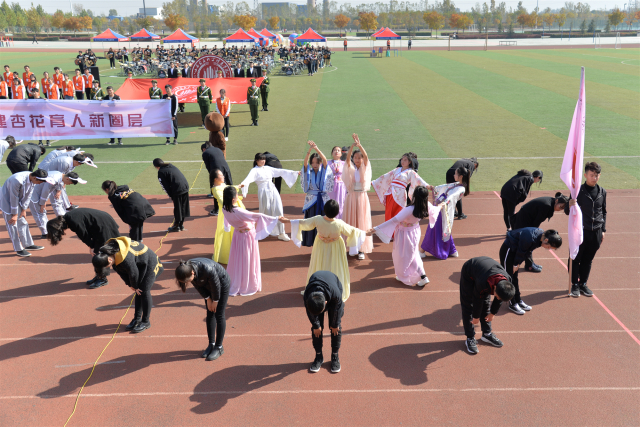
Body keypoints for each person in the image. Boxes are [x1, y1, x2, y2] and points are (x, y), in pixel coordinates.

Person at [283, 199, 365, 302]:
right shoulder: (339, 223)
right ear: (337, 212)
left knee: (319, 263)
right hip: (336, 247)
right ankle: (334, 287)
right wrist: (366, 232)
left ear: (325, 210)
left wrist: (287, 221)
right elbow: (353, 231)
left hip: (320, 246)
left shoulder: (318, 219)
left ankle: (318, 286)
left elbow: (304, 222)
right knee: (335, 265)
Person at [371, 186, 441, 287]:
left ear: (415, 196)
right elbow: (435, 210)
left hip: (404, 234)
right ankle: (418, 276)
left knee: (406, 256)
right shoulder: (426, 205)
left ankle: (423, 276)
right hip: (415, 232)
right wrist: (441, 206)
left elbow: (394, 220)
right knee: (412, 254)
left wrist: (376, 229)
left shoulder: (409, 209)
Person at [92, 237, 164, 333]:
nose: (108, 268)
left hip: (151, 263)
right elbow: (121, 272)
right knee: (138, 291)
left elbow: (133, 273)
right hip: (139, 265)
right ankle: (137, 319)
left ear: (109, 260)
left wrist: (134, 286)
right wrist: (130, 285)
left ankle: (146, 321)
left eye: (107, 267)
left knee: (143, 291)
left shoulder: (124, 258)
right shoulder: (109, 254)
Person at [222, 186, 281, 296]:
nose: (237, 196)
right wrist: (276, 218)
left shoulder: (224, 208)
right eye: (236, 195)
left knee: (238, 259)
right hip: (247, 236)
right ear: (233, 199)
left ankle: (239, 280)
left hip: (237, 235)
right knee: (247, 259)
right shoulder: (238, 211)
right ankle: (247, 284)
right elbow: (257, 216)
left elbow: (227, 222)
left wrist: (227, 227)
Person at [47, 208, 121, 288]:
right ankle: (99, 276)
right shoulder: (68, 217)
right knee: (98, 252)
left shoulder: (73, 221)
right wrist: (92, 245)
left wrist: (92, 246)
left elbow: (84, 235)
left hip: (104, 225)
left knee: (100, 254)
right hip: (101, 223)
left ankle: (102, 279)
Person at [175, 258, 230, 361]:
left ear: (192, 273)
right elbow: (197, 285)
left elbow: (216, 286)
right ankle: (211, 344)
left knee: (219, 314)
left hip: (221, 285)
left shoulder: (207, 269)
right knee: (210, 313)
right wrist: (208, 299)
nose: (187, 283)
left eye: (187, 280)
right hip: (207, 286)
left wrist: (215, 301)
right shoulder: (188, 270)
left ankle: (219, 347)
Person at [459, 257, 515, 354]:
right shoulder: (483, 283)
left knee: (486, 304)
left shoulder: (507, 282)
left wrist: (493, 313)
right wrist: (475, 317)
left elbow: (499, 298)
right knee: (468, 305)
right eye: (496, 295)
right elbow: (477, 300)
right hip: (470, 271)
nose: (497, 298)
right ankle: (470, 338)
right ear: (495, 287)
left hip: (486, 272)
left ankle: (486, 334)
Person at [499, 228, 562, 315]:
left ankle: (518, 300)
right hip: (508, 251)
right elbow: (521, 251)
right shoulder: (530, 237)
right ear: (546, 240)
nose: (548, 249)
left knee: (515, 278)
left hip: (516, 251)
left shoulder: (541, 238)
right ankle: (512, 303)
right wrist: (515, 264)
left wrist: (517, 263)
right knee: (509, 277)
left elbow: (528, 251)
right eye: (549, 247)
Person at [239, 153, 300, 241]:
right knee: (265, 211)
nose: (263, 161)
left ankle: (282, 232)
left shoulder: (267, 168)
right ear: (256, 160)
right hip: (263, 192)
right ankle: (265, 231)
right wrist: (241, 185)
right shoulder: (254, 170)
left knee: (278, 209)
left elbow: (280, 171)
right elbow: (248, 179)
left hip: (273, 190)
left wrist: (294, 172)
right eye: (261, 159)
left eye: (264, 159)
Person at [568, 162, 607, 298]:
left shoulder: (602, 192)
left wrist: (603, 230)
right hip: (580, 231)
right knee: (575, 258)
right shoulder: (577, 191)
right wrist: (570, 204)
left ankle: (583, 283)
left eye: (596, 175)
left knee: (588, 260)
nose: (594, 178)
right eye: (591, 175)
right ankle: (574, 284)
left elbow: (604, 212)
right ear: (585, 175)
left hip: (596, 232)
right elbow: (568, 211)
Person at [419, 167, 471, 260]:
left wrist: (444, 202)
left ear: (461, 176)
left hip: (444, 211)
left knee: (432, 230)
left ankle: (422, 251)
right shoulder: (456, 184)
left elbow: (452, 196)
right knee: (443, 231)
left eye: (455, 174)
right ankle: (452, 250)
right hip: (441, 209)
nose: (454, 175)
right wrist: (433, 188)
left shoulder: (461, 189)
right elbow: (444, 186)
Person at [512, 192, 569, 272]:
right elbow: (536, 223)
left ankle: (529, 263)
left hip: (526, 218)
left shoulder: (550, 203)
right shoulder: (547, 206)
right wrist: (534, 235)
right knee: (527, 243)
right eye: (560, 207)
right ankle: (526, 265)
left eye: (562, 209)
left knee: (530, 243)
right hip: (523, 220)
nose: (560, 209)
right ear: (556, 201)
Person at [1, 169, 50, 257]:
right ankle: (18, 249)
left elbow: (29, 194)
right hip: (6, 200)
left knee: (23, 222)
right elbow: (13, 197)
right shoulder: (17, 180)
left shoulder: (31, 178)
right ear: (35, 178)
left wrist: (23, 209)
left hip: (17, 201)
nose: (40, 183)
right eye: (40, 181)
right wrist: (15, 215)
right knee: (12, 224)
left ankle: (28, 244)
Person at [303, 271, 344, 373]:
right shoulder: (307, 296)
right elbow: (310, 312)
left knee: (335, 327)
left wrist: (335, 324)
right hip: (316, 293)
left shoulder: (336, 294)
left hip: (333, 287)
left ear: (326, 303)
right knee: (316, 329)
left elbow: (337, 309)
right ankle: (318, 356)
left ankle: (335, 355)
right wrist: (316, 325)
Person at [373, 153, 429, 228]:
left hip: (400, 195)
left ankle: (396, 231)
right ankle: (387, 232)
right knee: (389, 212)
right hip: (390, 192)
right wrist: (374, 182)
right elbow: (386, 176)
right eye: (402, 159)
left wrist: (428, 186)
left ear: (409, 162)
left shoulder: (411, 172)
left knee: (398, 213)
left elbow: (419, 180)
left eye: (405, 160)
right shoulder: (397, 169)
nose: (403, 161)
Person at [342, 134, 373, 260]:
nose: (357, 159)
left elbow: (366, 157)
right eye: (356, 157)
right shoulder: (351, 169)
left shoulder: (365, 168)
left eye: (359, 158)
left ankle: (361, 249)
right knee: (351, 222)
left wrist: (360, 145)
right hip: (351, 198)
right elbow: (347, 159)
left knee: (361, 223)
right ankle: (351, 246)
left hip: (361, 198)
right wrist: (352, 148)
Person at [30, 171, 86, 238]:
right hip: (34, 194)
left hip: (39, 192)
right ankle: (45, 233)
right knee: (39, 212)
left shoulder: (60, 176)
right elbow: (45, 191)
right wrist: (42, 203)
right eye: (70, 183)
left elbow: (58, 184)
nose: (69, 184)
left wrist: (58, 191)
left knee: (42, 212)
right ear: (67, 179)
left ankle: (48, 231)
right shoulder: (55, 178)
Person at [300, 141, 332, 247]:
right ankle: (312, 244)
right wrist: (309, 150)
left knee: (323, 223)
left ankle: (323, 244)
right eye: (312, 163)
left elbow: (325, 160)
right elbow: (305, 163)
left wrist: (316, 148)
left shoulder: (323, 170)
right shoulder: (308, 171)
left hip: (322, 200)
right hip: (311, 201)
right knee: (312, 223)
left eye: (317, 163)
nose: (314, 165)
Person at [211, 169, 245, 263]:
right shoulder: (216, 190)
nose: (223, 176)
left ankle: (237, 253)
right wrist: (232, 205)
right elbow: (223, 201)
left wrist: (237, 186)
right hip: (229, 213)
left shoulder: (221, 185)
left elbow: (228, 187)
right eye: (221, 175)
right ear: (215, 179)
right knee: (229, 234)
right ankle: (229, 255)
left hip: (232, 211)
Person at [154, 158, 190, 232]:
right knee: (183, 207)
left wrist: (171, 196)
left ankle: (176, 226)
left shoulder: (161, 172)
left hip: (177, 189)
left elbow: (165, 186)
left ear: (156, 166)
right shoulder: (171, 166)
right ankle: (181, 225)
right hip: (185, 187)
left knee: (178, 209)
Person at [202, 142, 231, 210]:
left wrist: (212, 175)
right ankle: (232, 205)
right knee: (229, 187)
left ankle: (216, 209)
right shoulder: (218, 149)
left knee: (216, 189)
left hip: (217, 172)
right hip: (226, 168)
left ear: (204, 149)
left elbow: (208, 166)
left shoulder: (205, 153)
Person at [326, 146, 347, 220]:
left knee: (341, 203)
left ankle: (340, 221)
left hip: (341, 186)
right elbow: (319, 170)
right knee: (331, 203)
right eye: (335, 150)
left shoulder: (344, 163)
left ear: (341, 154)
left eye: (338, 150)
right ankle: (330, 221)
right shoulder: (328, 163)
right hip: (331, 186)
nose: (336, 151)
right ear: (332, 153)